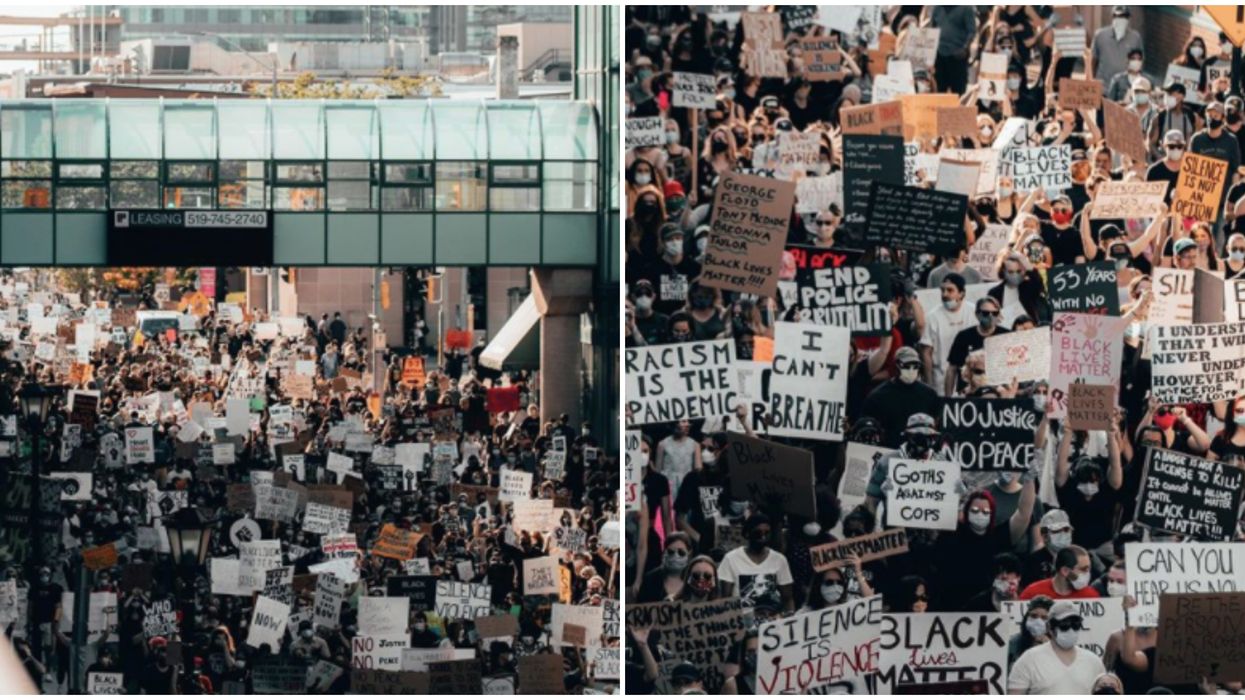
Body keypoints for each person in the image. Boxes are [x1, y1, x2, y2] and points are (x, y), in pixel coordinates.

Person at [1008, 600, 1108, 694]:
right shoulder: (1029, 659)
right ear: (1050, 627)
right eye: (1064, 625)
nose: (1070, 630)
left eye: (1075, 625)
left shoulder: (1093, 661)